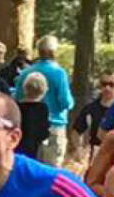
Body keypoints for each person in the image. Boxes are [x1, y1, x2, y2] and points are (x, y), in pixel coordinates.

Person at [12, 36, 73, 165]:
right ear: (54, 52)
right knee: (51, 170)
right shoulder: (59, 73)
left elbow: (17, 98)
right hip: (54, 126)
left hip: (27, 127)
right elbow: (65, 102)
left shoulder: (26, 73)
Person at [73, 72, 114, 153]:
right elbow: (77, 130)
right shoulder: (90, 109)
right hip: (97, 153)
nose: (107, 88)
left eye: (112, 84)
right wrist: (79, 148)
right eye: (104, 84)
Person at [18, 72, 51, 159]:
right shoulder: (43, 108)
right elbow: (44, 132)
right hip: (34, 148)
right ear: (43, 90)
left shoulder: (17, 106)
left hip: (18, 146)